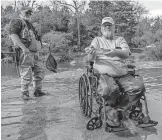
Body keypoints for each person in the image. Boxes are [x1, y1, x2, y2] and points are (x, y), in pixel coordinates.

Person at [85, 17, 152, 127]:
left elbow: (126, 53)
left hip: (122, 72)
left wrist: (115, 52)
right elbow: (91, 57)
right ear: (101, 28)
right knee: (109, 89)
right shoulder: (97, 40)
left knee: (139, 87)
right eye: (104, 25)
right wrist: (91, 52)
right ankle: (113, 109)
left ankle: (116, 110)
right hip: (104, 73)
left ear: (113, 27)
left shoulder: (120, 39)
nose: (107, 27)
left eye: (109, 25)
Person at [9, 7, 46, 100]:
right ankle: (25, 93)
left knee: (40, 71)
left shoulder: (30, 24)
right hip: (25, 53)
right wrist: (23, 48)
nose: (28, 15)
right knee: (26, 74)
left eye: (30, 13)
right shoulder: (17, 22)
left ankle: (38, 91)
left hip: (35, 53)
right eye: (26, 13)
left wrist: (42, 44)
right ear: (21, 13)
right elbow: (13, 35)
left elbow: (34, 38)